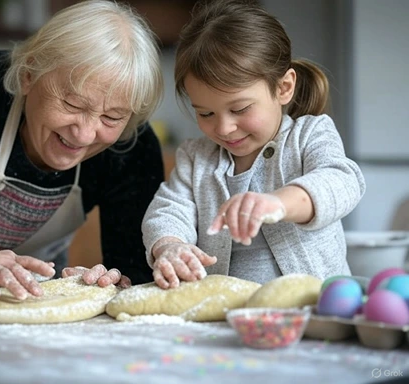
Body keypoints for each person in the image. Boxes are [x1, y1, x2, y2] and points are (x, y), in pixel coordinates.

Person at [0, 0, 164, 299]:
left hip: (25, 303)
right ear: (28, 74)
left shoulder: (130, 146)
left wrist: (100, 284)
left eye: (111, 117)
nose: (85, 134)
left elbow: (136, 283)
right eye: (72, 104)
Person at [142, 0, 366, 289]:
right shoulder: (196, 158)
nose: (223, 127)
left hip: (313, 306)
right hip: (225, 312)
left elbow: (341, 181)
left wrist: (278, 203)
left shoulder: (310, 134)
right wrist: (169, 245)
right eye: (205, 113)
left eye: (240, 109)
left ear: (283, 87)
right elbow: (169, 209)